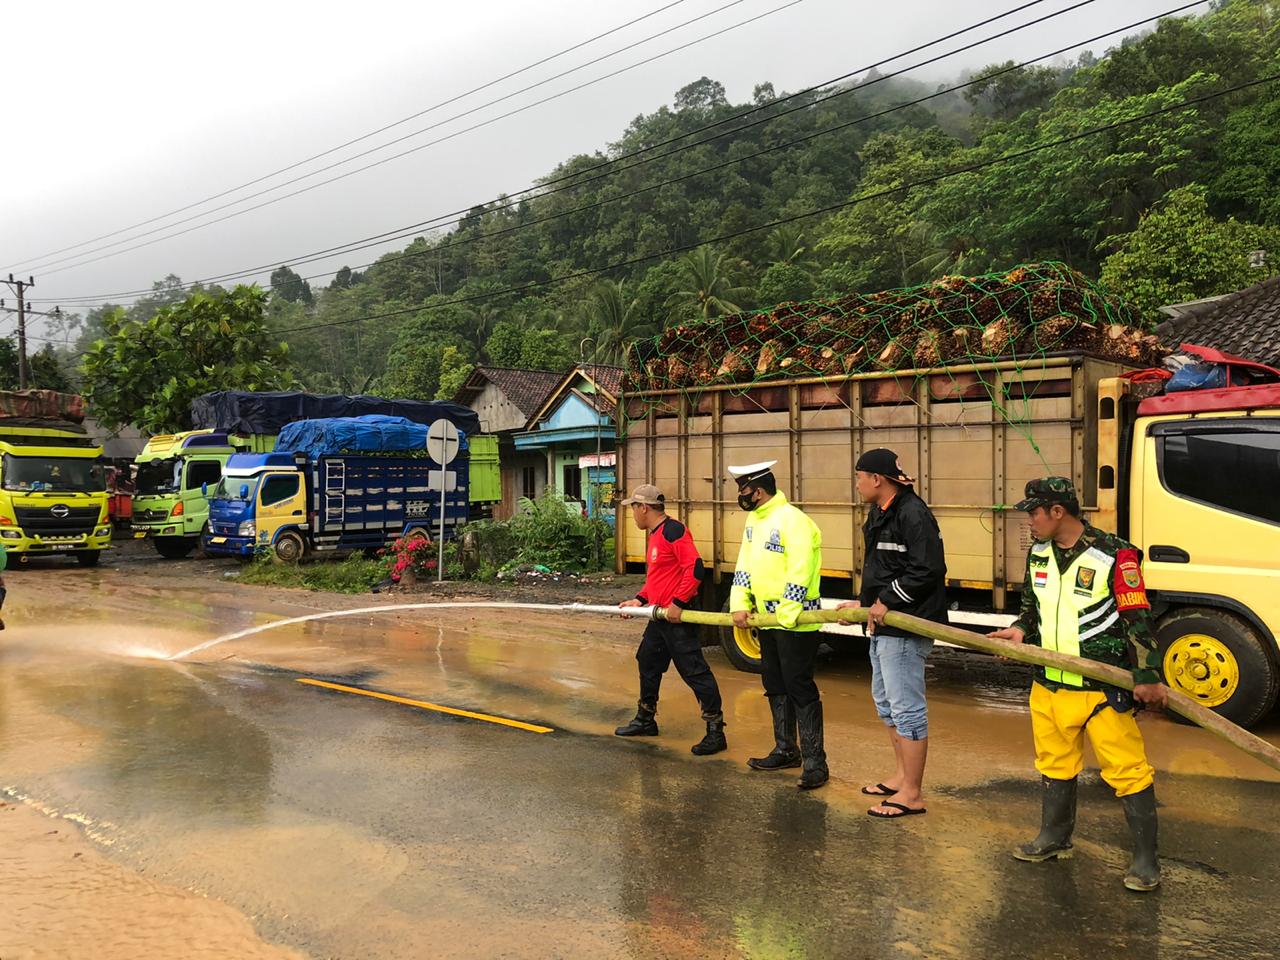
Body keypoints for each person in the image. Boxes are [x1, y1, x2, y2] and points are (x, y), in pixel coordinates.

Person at [989, 477, 1169, 892]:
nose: (1029, 520)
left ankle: (1145, 859)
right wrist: (1019, 632)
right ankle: (1054, 837)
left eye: (1033, 512)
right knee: (1054, 763)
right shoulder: (1037, 553)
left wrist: (1146, 676)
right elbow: (1030, 611)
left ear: (1057, 512)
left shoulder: (1114, 554)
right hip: (1050, 685)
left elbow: (1135, 616)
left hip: (1101, 689)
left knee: (1127, 770)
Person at [837, 448, 947, 820]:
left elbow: (928, 569)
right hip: (883, 623)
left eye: (859, 476)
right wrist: (864, 603)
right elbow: (883, 567)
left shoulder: (913, 514)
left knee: (907, 709)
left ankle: (912, 794)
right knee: (886, 705)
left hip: (906, 625)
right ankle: (901, 777)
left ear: (877, 480)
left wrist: (886, 600)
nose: (857, 483)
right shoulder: (881, 512)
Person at [728, 461, 828, 789]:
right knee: (774, 684)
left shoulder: (794, 521)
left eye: (744, 492)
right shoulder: (753, 522)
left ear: (759, 491)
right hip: (766, 621)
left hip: (796, 622)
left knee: (800, 686)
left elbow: (802, 568)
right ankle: (786, 749)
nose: (741, 497)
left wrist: (787, 611)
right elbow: (744, 566)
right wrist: (740, 603)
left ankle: (816, 763)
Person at [615, 484, 726, 756]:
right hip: (659, 615)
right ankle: (645, 718)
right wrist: (639, 600)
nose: (633, 514)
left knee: (694, 670)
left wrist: (679, 603)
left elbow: (695, 568)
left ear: (644, 508)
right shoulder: (655, 535)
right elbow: (659, 579)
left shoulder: (673, 530)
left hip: (677, 617)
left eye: (634, 508)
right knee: (647, 660)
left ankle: (715, 731)